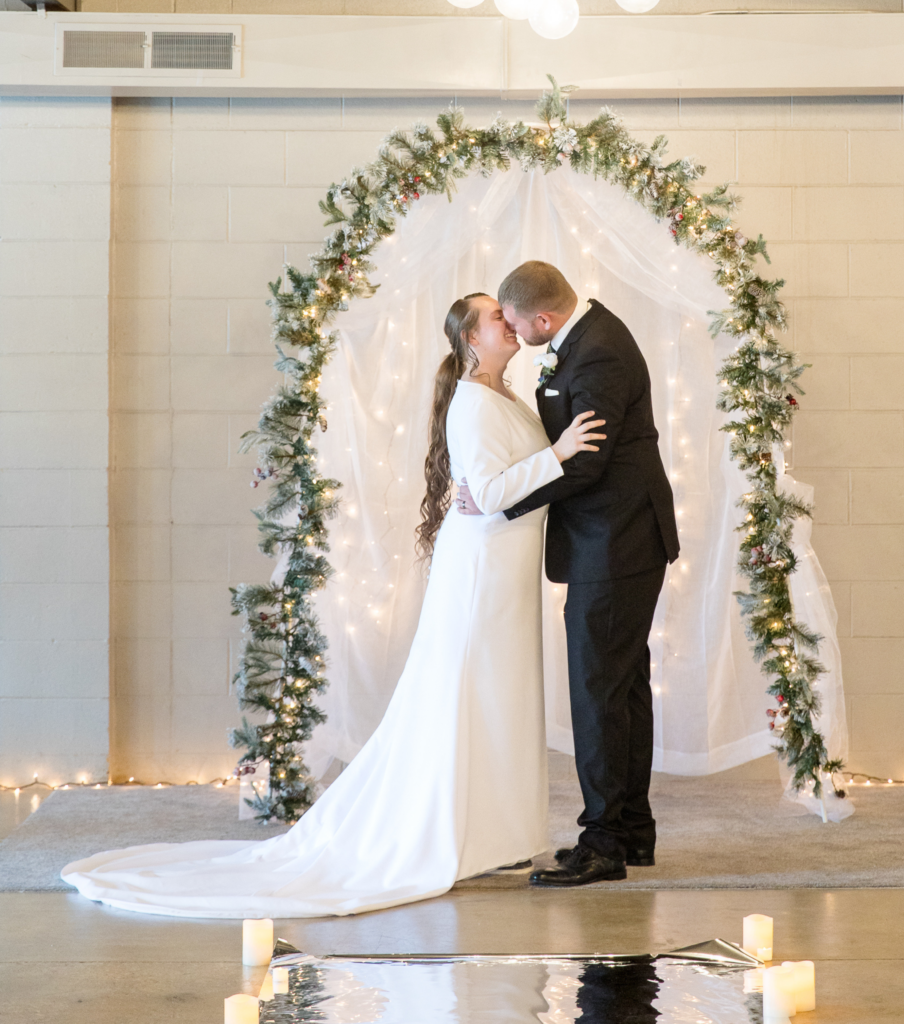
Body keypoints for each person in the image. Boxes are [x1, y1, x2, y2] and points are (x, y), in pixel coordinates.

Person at [60, 294, 605, 919]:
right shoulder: (475, 402)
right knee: (468, 694)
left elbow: (502, 484)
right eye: (495, 318)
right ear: (471, 341)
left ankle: (497, 834)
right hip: (481, 572)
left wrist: (549, 457)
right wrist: (559, 453)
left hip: (506, 566)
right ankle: (453, 833)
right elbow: (485, 491)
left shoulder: (506, 394)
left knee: (501, 697)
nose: (509, 322)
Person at [457, 262, 680, 888]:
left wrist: (501, 503)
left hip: (616, 542)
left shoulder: (598, 353)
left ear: (544, 320)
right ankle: (631, 831)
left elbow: (587, 464)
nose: (512, 330)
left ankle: (604, 843)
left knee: (599, 690)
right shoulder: (586, 340)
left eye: (515, 321)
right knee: (623, 687)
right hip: (614, 539)